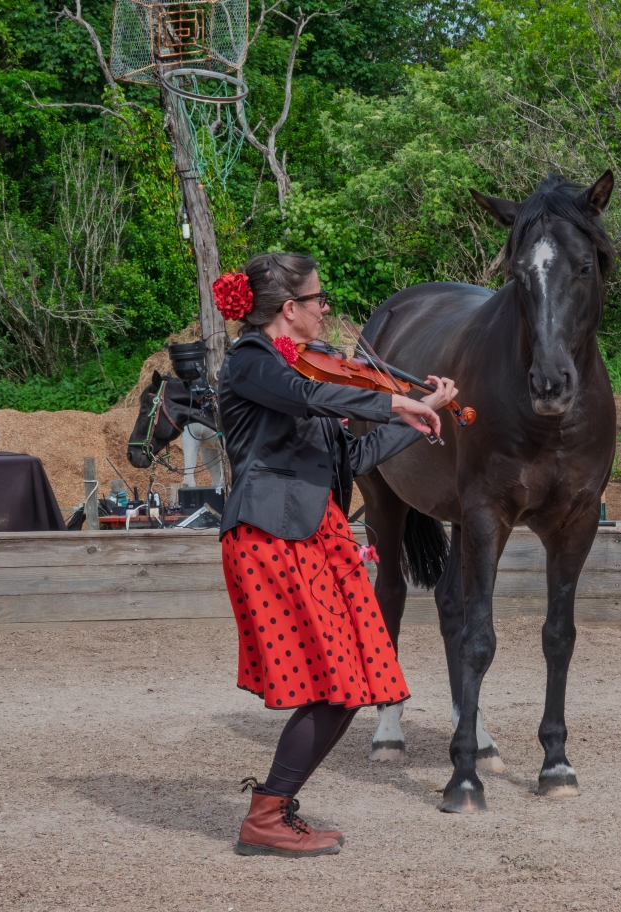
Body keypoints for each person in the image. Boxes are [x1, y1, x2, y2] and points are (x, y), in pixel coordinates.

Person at [215, 253, 457, 856]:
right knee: (338, 683)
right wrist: (396, 400)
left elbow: (349, 460)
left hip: (318, 534)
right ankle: (266, 814)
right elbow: (304, 397)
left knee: (359, 681)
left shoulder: (307, 374)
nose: (327, 308)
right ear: (288, 309)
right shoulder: (251, 362)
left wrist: (426, 415)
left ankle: (270, 810)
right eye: (318, 299)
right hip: (271, 536)